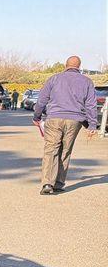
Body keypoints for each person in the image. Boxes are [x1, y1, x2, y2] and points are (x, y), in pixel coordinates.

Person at [32, 55, 98, 194]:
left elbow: (42, 100)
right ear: (79, 66)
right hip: (75, 120)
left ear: (65, 65)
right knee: (65, 151)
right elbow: (91, 105)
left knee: (51, 150)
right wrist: (92, 125)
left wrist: (37, 116)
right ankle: (58, 184)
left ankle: (47, 184)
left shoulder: (54, 78)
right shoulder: (87, 81)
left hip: (54, 118)